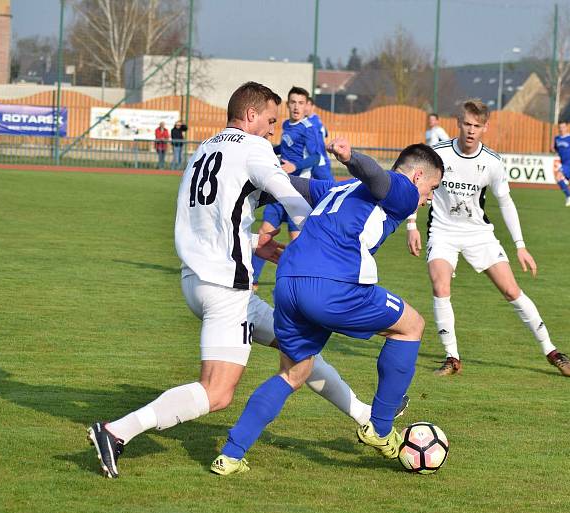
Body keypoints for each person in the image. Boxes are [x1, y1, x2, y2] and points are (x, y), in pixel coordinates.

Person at [86, 82, 388, 479]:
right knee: (217, 392)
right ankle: (115, 432)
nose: (272, 130)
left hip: (197, 279)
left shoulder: (204, 149)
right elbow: (292, 199)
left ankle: (367, 417)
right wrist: (320, 246)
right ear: (250, 115)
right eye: (269, 119)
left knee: (297, 350)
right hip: (226, 289)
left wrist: (252, 243)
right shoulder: (253, 148)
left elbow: (211, 215)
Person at [210, 139, 444, 476]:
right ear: (418, 176)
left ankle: (231, 454)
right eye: (432, 188)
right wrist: (351, 157)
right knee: (412, 326)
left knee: (293, 373)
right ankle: (379, 428)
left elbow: (294, 185)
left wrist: (245, 177)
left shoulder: (340, 189)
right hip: (334, 285)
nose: (429, 198)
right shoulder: (403, 189)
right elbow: (380, 179)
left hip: (288, 283)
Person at [406, 99, 570, 378]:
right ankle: (452, 357)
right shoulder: (436, 154)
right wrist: (411, 224)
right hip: (443, 231)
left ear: (485, 127)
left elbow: (506, 203)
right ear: (458, 123)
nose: (471, 130)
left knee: (511, 291)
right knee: (440, 285)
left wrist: (520, 246)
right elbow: (415, 186)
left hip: (479, 234)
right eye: (467, 124)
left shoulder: (492, 162)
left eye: (477, 125)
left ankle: (552, 350)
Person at [251, 87, 325, 289]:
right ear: (287, 104)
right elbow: (284, 148)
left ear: (306, 105)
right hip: (278, 189)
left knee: (298, 242)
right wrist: (266, 148)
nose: (296, 107)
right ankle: (252, 279)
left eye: (301, 103)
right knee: (265, 232)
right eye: (293, 102)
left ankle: (302, 282)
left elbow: (316, 157)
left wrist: (295, 166)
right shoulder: (285, 124)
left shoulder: (308, 128)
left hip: (296, 193)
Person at [305, 96, 333, 181]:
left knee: (329, 187)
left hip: (319, 160)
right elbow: (326, 133)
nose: (305, 107)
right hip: (312, 159)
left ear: (313, 107)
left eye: (307, 104)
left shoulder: (311, 122)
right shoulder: (316, 119)